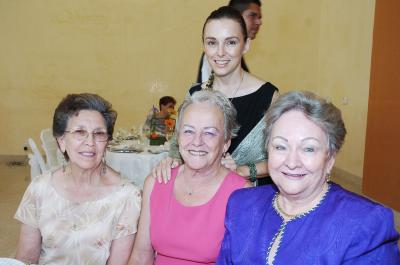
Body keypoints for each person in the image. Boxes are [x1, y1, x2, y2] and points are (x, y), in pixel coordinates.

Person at [217, 91, 400, 264]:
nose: (292, 162)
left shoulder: (365, 224)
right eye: (280, 147)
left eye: (308, 149)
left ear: (329, 158)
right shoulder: (241, 204)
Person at [155, 6, 278, 185]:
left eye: (231, 42)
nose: (220, 52)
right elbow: (177, 146)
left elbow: (283, 158)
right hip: (201, 195)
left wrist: (241, 170)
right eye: (212, 42)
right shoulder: (195, 94)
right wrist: (171, 160)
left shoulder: (268, 96)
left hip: (249, 198)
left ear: (246, 45)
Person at [15, 93, 141, 265]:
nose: (90, 142)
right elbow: (26, 260)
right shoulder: (40, 188)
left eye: (99, 134)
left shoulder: (127, 197)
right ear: (61, 141)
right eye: (80, 132)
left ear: (107, 143)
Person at [129, 91, 250, 265]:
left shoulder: (241, 194)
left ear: (226, 143)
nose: (197, 141)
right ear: (177, 138)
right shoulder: (156, 182)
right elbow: (140, 256)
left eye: (209, 133)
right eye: (188, 131)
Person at [196, 0, 262, 83]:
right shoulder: (214, 59)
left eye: (231, 43)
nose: (259, 22)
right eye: (252, 15)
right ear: (236, 16)